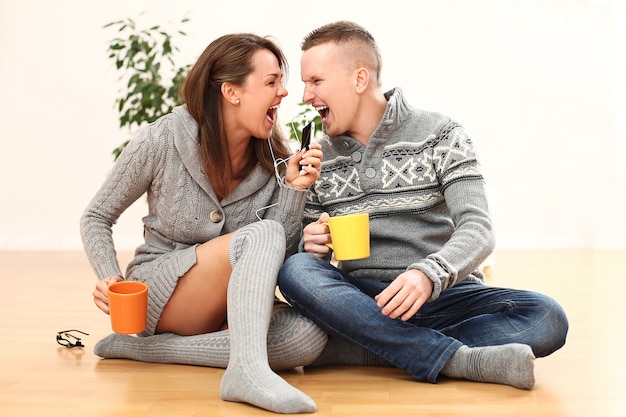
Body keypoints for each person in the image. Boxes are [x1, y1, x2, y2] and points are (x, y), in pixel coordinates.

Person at [278, 21, 569, 391]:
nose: (305, 96)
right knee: (297, 270)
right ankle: (456, 358)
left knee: (547, 317)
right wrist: (311, 243)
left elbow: (478, 229)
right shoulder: (318, 159)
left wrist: (426, 275)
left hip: (447, 295)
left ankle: (370, 347)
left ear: (359, 79)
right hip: (364, 298)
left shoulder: (442, 134)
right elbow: (305, 259)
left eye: (315, 81)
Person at [80, 33, 326, 414]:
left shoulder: (275, 159)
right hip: (161, 291)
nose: (284, 92)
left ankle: (145, 350)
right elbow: (96, 216)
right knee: (264, 232)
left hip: (229, 307)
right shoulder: (162, 138)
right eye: (271, 82)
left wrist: (294, 190)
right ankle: (246, 371)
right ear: (232, 92)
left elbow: (279, 257)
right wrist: (110, 278)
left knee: (305, 338)